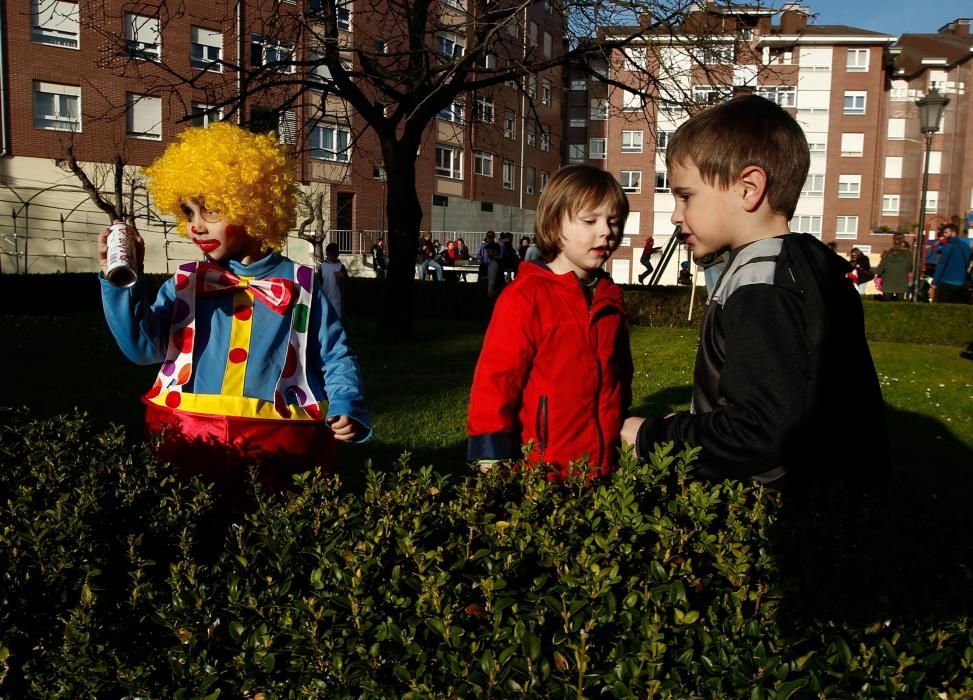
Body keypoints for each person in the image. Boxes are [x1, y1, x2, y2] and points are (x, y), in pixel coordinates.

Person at [620, 94, 888, 493]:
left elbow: (759, 432)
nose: (676, 214)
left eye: (686, 196)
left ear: (749, 188)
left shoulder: (760, 286)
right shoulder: (801, 265)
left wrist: (650, 436)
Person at [98, 123, 371, 497]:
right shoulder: (184, 284)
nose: (195, 226)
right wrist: (123, 283)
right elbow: (142, 349)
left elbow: (335, 354)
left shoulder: (303, 285)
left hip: (278, 440)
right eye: (188, 212)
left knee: (269, 542)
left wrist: (346, 403)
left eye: (210, 211)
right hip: (187, 433)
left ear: (253, 205)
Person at [467, 165, 633, 480]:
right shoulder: (525, 297)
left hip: (603, 470)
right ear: (555, 225)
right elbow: (495, 381)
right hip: (543, 472)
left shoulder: (609, 297)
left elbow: (619, 378)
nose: (606, 231)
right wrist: (491, 456)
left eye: (614, 221)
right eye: (589, 221)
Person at [932, 223, 972, 304]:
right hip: (961, 282)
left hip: (946, 282)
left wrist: (935, 281)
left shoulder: (949, 246)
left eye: (946, 232)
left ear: (953, 233)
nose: (944, 235)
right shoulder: (966, 246)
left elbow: (942, 264)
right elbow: (968, 262)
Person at [874, 233, 912, 301]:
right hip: (901, 282)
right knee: (899, 306)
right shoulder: (908, 254)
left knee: (886, 306)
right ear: (902, 240)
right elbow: (909, 268)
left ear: (893, 240)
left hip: (887, 282)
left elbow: (879, 269)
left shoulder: (886, 254)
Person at [319, 242, 348, 318]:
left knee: (337, 320)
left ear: (337, 254)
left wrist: (341, 277)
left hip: (337, 300)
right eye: (330, 254)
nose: (332, 256)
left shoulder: (340, 267)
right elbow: (319, 283)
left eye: (334, 254)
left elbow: (346, 284)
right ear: (327, 254)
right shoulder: (322, 266)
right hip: (325, 298)